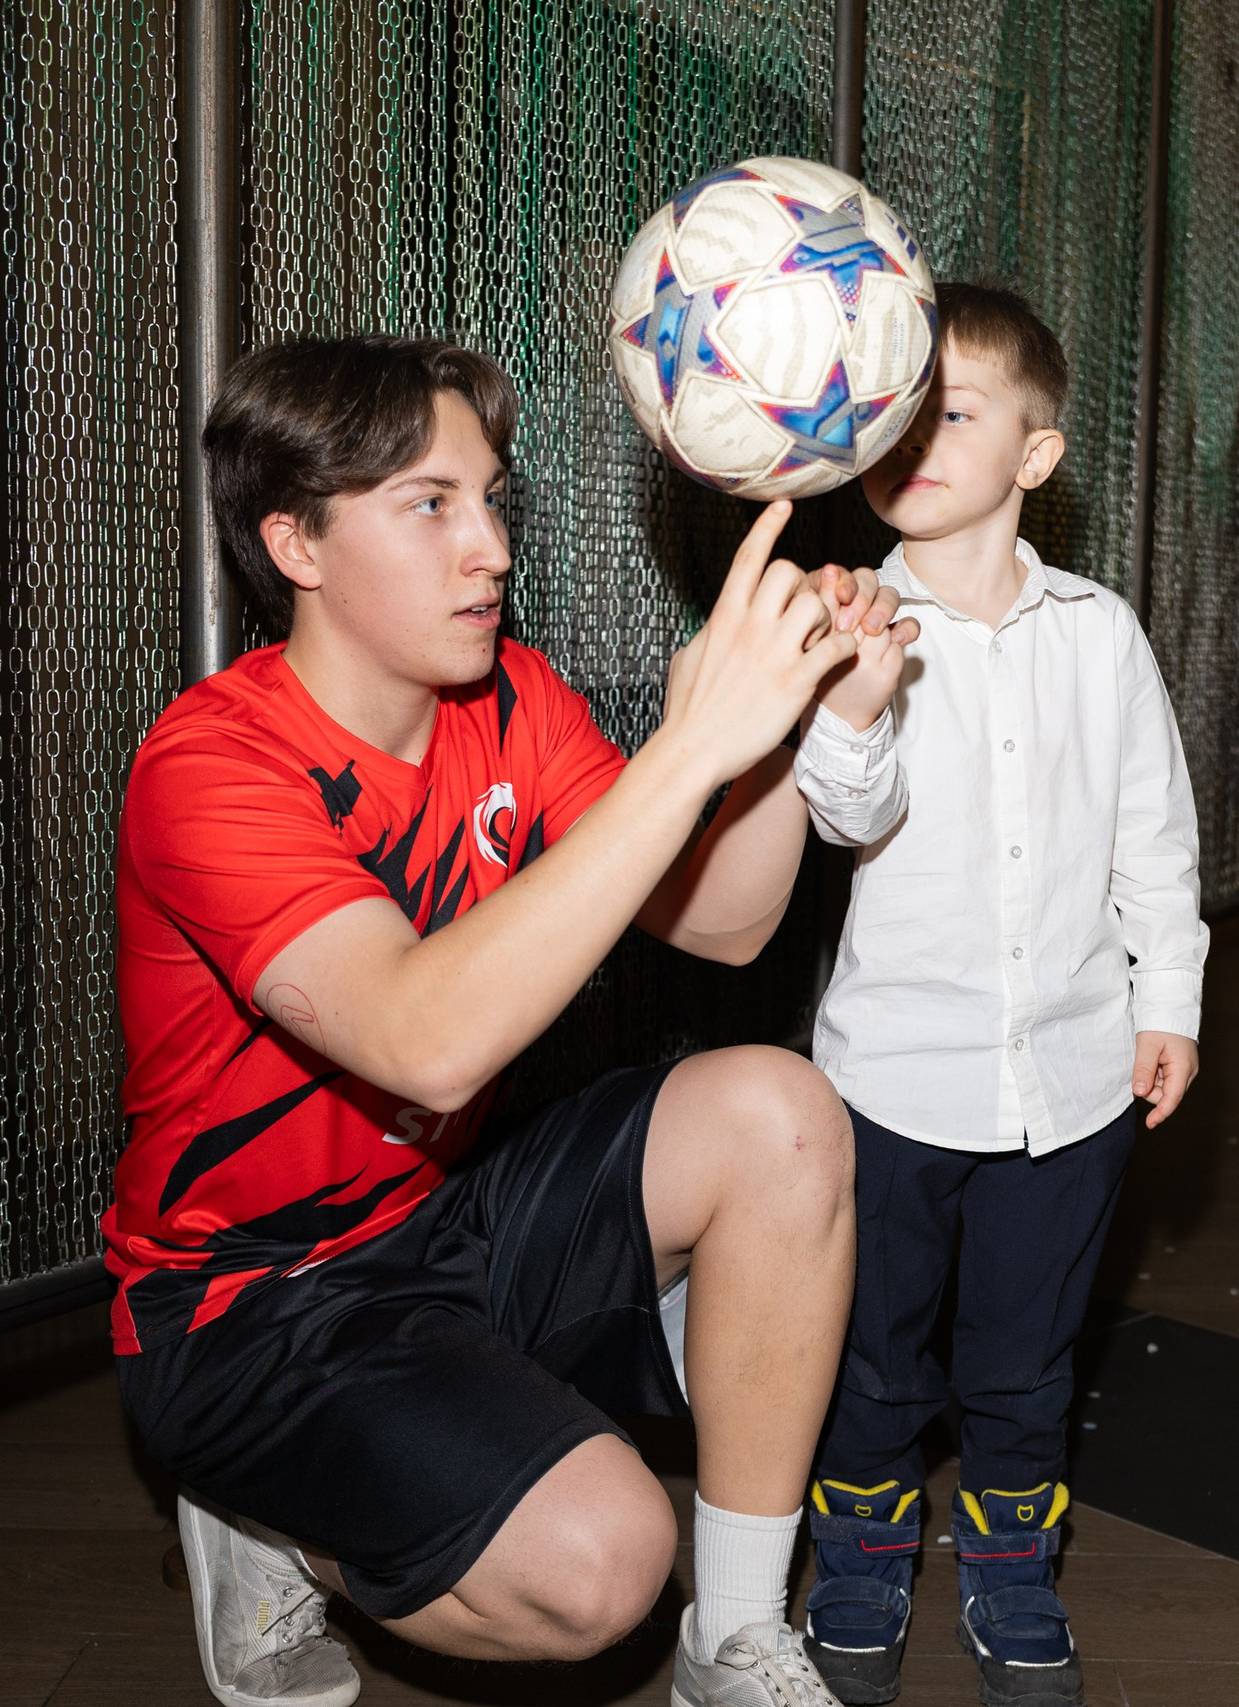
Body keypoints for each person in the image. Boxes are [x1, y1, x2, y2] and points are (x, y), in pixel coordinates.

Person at [106, 334, 917, 1707]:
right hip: (248, 1303)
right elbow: (428, 1041)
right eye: (428, 504)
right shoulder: (211, 765)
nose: (487, 546)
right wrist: (688, 753)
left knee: (781, 1115)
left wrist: (789, 731)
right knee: (601, 1569)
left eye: (493, 500)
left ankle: (734, 1640)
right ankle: (286, 1534)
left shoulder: (513, 701)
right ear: (293, 540)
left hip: (443, 1213)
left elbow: (724, 923)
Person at [787, 284, 1208, 1707]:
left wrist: (1172, 998)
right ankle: (860, 1554)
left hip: (1071, 1082)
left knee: (1028, 1363)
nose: (917, 439)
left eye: (954, 412)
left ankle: (1015, 1566)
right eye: (897, 413)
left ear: (1035, 456)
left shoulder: (1101, 633)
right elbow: (846, 819)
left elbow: (1153, 834)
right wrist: (851, 708)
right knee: (875, 1352)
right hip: (894, 1078)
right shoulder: (854, 622)